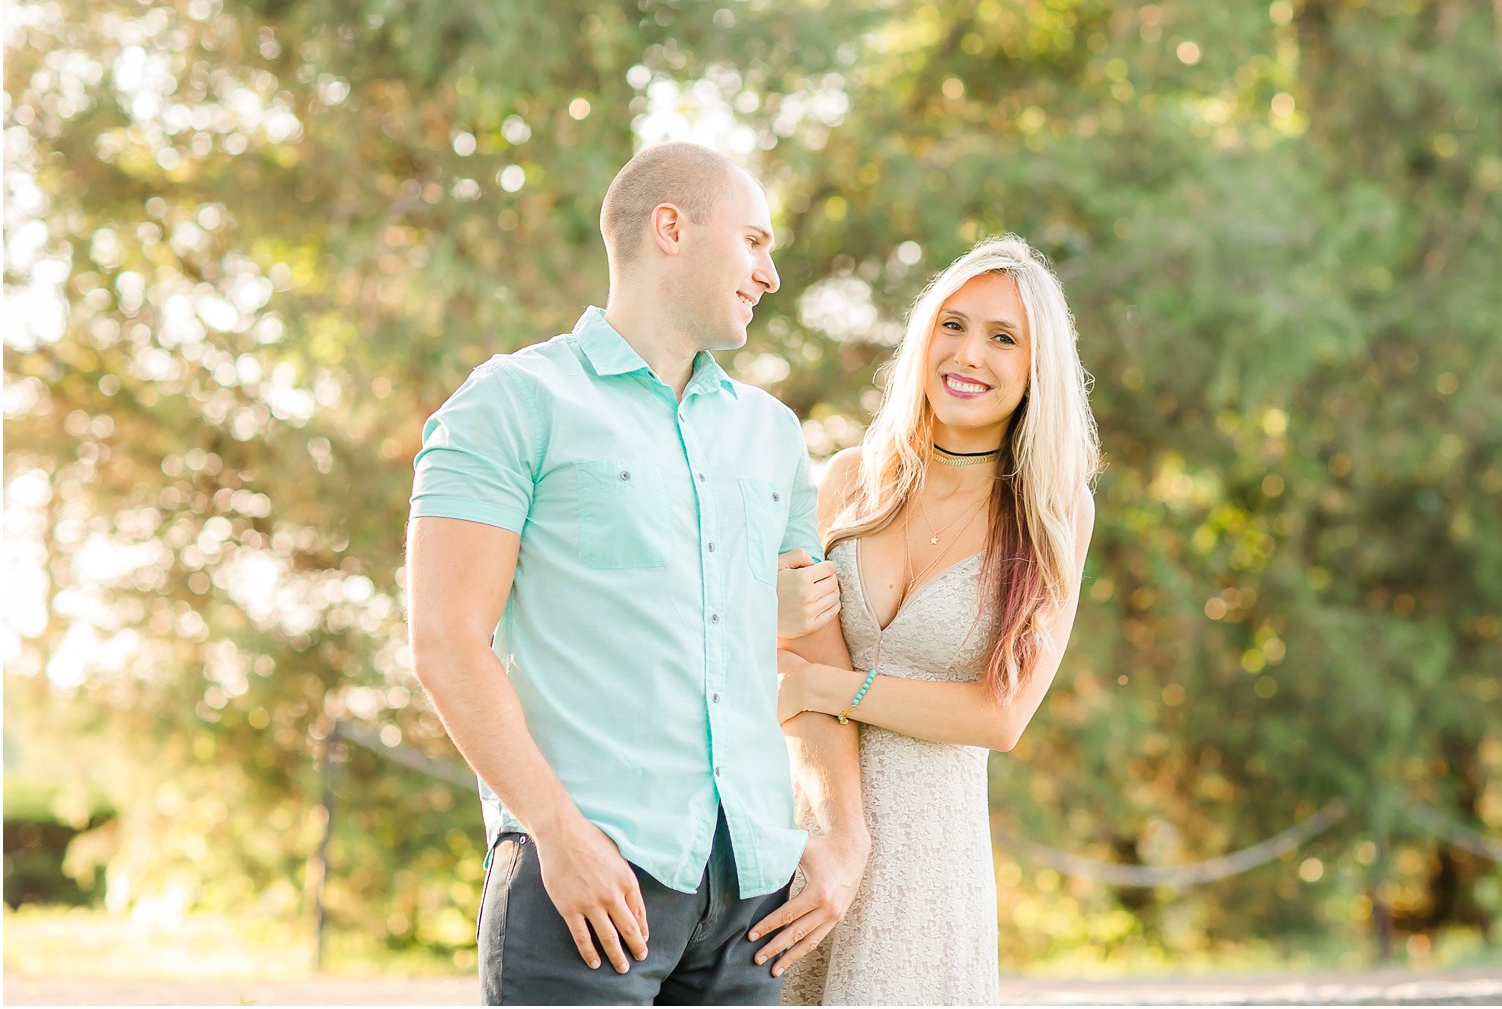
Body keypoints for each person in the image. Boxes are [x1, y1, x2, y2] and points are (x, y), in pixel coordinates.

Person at [405, 142, 869, 1006]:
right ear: (670, 228)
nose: (769, 274)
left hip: (751, 903)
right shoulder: (514, 402)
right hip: (584, 883)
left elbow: (814, 654)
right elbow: (444, 642)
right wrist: (554, 833)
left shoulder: (772, 434)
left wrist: (843, 841)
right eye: (755, 243)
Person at [773, 236, 1100, 1005]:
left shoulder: (1053, 512)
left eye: (1003, 338)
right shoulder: (852, 478)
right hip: (809, 833)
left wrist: (825, 684)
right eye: (952, 325)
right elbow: (784, 651)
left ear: (1035, 367)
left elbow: (999, 715)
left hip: (930, 863)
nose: (969, 354)